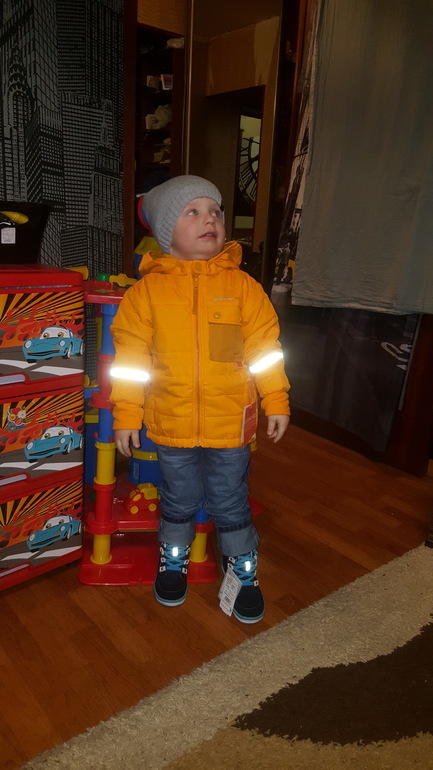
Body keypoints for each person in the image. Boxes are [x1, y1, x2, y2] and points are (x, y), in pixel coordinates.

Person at [110, 175, 290, 624]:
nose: (209, 219)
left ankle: (241, 566)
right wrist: (126, 414)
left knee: (230, 498)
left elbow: (265, 350)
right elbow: (130, 362)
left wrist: (276, 399)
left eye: (215, 212)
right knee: (179, 497)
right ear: (166, 231)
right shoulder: (144, 294)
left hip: (230, 423)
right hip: (171, 422)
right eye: (193, 212)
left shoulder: (243, 288)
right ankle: (174, 557)